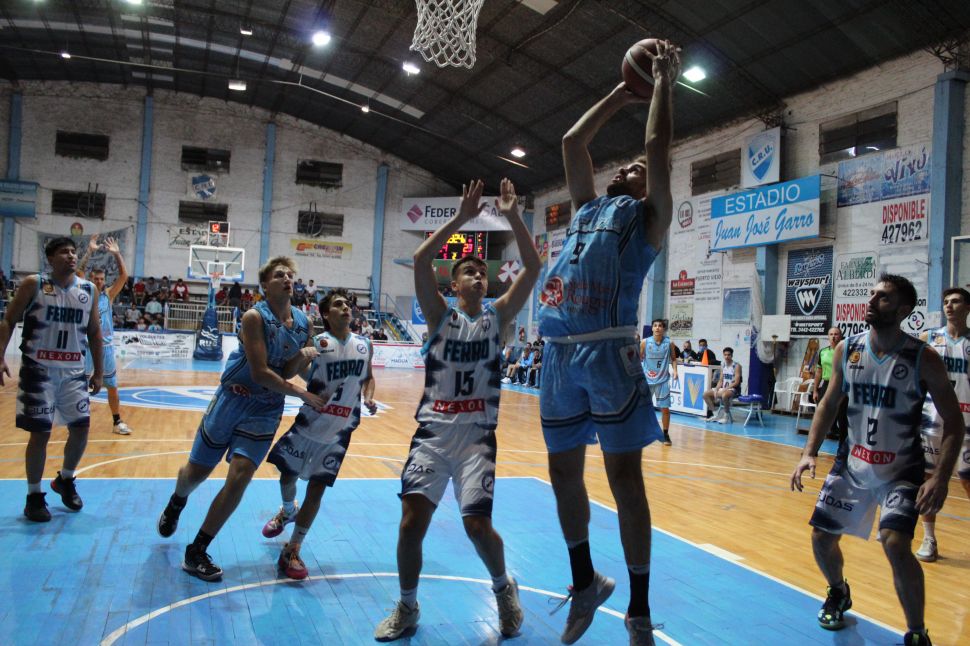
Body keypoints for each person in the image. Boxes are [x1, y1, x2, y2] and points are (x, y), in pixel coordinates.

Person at [537, 40, 679, 645]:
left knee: (625, 481)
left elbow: (657, 146)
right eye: (625, 167)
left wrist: (662, 83)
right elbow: (573, 142)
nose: (628, 168)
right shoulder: (588, 207)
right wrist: (623, 92)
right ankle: (585, 582)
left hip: (609, 353)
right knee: (562, 473)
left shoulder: (648, 218)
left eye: (637, 170)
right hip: (558, 356)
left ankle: (639, 610)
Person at [374, 178, 540, 641]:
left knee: (478, 527)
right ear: (454, 283)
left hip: (476, 438)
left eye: (483, 272)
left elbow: (533, 266)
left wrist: (513, 216)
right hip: (433, 433)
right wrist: (462, 220)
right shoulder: (439, 316)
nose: (479, 276)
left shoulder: (498, 316)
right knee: (411, 524)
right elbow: (421, 259)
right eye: (470, 271)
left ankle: (503, 589)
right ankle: (407, 607)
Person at [790, 274, 963, 646]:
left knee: (895, 543)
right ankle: (838, 591)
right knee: (821, 538)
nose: (871, 301)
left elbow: (955, 420)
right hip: (852, 464)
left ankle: (917, 632)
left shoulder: (923, 358)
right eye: (871, 294)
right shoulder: (848, 348)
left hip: (901, 470)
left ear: (902, 310)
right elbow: (829, 403)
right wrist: (808, 453)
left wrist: (940, 477)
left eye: (882, 298)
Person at [155, 257, 327, 581]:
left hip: (266, 409)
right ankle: (177, 501)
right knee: (195, 474)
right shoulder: (253, 317)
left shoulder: (305, 323)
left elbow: (297, 368)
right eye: (279, 275)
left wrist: (327, 384)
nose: (288, 279)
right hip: (233, 399)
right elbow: (261, 373)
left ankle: (197, 550)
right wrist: (303, 394)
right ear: (265, 285)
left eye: (290, 275)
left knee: (240, 476)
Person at [262, 288, 377, 579]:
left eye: (347, 304)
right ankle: (287, 510)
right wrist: (301, 355)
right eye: (338, 304)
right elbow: (288, 373)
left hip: (339, 432)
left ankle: (293, 548)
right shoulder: (318, 342)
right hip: (309, 425)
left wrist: (369, 397)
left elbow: (369, 378)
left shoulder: (364, 344)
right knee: (287, 476)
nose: (346, 308)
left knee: (317, 490)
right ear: (326, 314)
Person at [0, 237, 103, 522]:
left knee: (81, 429)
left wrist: (99, 371)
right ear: (50, 259)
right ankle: (34, 496)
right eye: (63, 252)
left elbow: (95, 332)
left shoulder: (88, 289)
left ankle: (65, 479)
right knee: (40, 434)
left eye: (73, 251)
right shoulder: (34, 284)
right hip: (39, 369)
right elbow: (8, 320)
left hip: (73, 372)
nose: (71, 256)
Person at [915, 287, 970, 563]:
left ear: (967, 307)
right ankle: (929, 538)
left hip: (967, 422)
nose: (949, 306)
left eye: (956, 301)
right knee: (929, 479)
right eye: (946, 301)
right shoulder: (929, 339)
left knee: (967, 480)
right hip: (933, 421)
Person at [78, 235, 135, 435]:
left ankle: (117, 421)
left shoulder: (108, 295)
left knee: (112, 386)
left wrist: (117, 254)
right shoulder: (83, 291)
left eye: (102, 279)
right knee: (80, 386)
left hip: (106, 348)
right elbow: (78, 272)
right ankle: (78, 420)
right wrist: (89, 251)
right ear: (91, 279)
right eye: (96, 279)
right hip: (86, 346)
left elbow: (124, 276)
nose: (99, 281)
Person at [641, 319, 677, 446]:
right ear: (652, 328)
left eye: (660, 326)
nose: (657, 328)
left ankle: (665, 434)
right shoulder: (645, 342)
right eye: (655, 326)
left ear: (663, 329)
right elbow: (638, 358)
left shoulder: (669, 343)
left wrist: (675, 370)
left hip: (663, 380)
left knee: (665, 409)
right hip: (647, 380)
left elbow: (673, 359)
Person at [813, 327, 848, 441]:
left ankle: (842, 446)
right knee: (821, 415)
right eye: (831, 334)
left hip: (841, 385)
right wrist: (815, 390)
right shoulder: (823, 352)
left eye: (836, 334)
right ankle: (815, 447)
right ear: (828, 337)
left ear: (841, 336)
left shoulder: (846, 352)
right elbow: (819, 372)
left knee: (842, 417)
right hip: (826, 384)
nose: (833, 337)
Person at [703, 347, 742, 424]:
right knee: (705, 394)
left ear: (732, 355)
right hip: (724, 388)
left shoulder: (737, 366)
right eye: (725, 355)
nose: (727, 356)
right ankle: (715, 414)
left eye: (728, 355)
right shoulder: (723, 365)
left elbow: (736, 382)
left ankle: (726, 416)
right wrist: (716, 389)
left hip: (734, 389)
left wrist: (726, 388)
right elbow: (721, 380)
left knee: (724, 395)